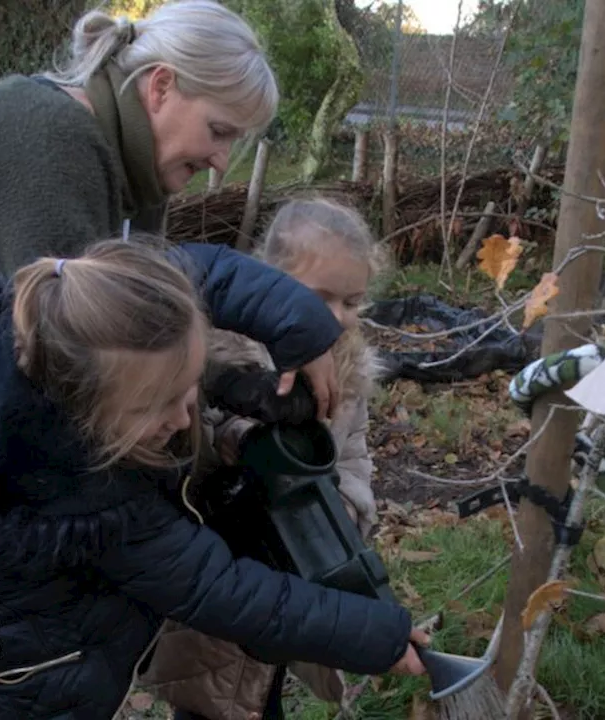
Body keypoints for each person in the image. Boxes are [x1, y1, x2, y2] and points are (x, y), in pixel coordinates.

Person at [0, 0, 334, 577]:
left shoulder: (136, 166)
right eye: (219, 131)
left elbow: (146, 328)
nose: (220, 162)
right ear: (161, 87)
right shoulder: (52, 144)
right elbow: (89, 354)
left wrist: (236, 387)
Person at [0, 236, 430, 719]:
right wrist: (376, 636)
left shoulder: (48, 343)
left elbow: (197, 270)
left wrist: (301, 327)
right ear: (89, 414)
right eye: (159, 405)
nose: (183, 418)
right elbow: (228, 593)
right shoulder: (91, 509)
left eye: (190, 386)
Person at [140, 197, 389, 720]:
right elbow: (186, 441)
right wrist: (240, 433)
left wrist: (344, 504)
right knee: (208, 694)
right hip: (221, 569)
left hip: (291, 571)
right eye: (321, 298)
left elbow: (355, 460)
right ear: (270, 279)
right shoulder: (220, 353)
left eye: (352, 302)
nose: (338, 318)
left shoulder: (348, 376)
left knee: (260, 687)